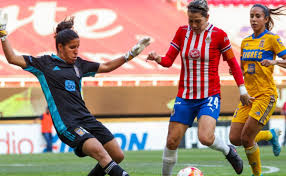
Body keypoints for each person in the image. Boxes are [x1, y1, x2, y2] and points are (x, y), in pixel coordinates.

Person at [0, 12, 150, 176]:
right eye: (72, 47)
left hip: (86, 118)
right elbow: (12, 58)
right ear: (60, 47)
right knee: (101, 153)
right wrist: (3, 34)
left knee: (117, 155)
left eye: (78, 47)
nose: (76, 51)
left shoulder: (79, 65)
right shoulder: (44, 64)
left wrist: (131, 54)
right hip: (67, 124)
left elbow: (106, 66)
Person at [146, 0, 253, 175]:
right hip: (185, 96)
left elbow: (234, 65)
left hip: (209, 96)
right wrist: (157, 58)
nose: (194, 25)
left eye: (198, 21)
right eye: (191, 21)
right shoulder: (182, 32)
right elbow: (167, 61)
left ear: (207, 17)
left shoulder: (219, 35)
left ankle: (228, 151)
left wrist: (242, 90)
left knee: (205, 138)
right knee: (172, 141)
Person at [229, 4, 286, 176]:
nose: (253, 19)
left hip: (265, 95)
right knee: (235, 138)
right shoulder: (245, 42)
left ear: (266, 19)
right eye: (251, 16)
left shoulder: (272, 39)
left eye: (258, 16)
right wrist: (236, 71)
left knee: (247, 138)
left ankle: (257, 174)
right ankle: (270, 135)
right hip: (248, 96)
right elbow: (243, 68)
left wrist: (274, 62)